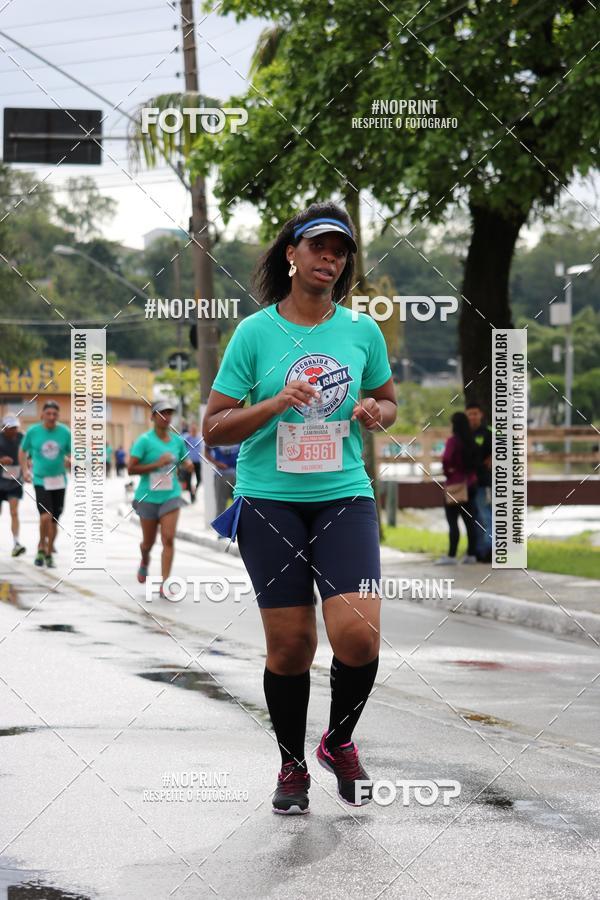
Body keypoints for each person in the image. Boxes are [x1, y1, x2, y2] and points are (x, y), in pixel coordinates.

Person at [202, 202, 397, 814]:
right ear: (292, 254)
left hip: (344, 495)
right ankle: (290, 765)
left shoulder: (362, 332)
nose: (330, 258)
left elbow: (388, 402)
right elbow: (213, 428)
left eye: (340, 251)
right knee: (290, 647)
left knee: (359, 637)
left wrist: (374, 413)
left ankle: (338, 742)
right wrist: (276, 402)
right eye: (318, 247)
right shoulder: (255, 333)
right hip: (270, 502)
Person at [128, 401, 194, 597]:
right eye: (162, 413)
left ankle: (165, 583)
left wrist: (188, 465)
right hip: (147, 496)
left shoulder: (177, 441)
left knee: (168, 539)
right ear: (153, 417)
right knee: (148, 542)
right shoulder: (144, 441)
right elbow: (131, 468)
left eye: (169, 413)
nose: (166, 417)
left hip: (171, 495)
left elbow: (183, 461)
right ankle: (145, 559)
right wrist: (157, 463)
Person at [19, 400, 71, 568]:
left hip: (59, 481)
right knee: (45, 516)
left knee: (55, 520)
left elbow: (73, 453)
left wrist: (71, 460)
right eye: (48, 414)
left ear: (58, 416)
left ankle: (48, 552)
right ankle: (41, 547)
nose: (51, 417)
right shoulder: (33, 432)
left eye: (55, 414)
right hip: (40, 479)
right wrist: (25, 471)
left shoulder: (64, 432)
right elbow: (22, 451)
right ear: (42, 415)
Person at [435, 411, 478, 566]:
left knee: (453, 521)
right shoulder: (472, 441)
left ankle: (452, 556)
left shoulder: (453, 441)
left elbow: (446, 460)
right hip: (471, 484)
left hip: (455, 486)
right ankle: (471, 554)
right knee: (470, 521)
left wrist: (449, 471)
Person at [466, 402, 493, 563]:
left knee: (485, 515)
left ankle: (490, 549)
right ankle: (478, 550)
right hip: (467, 483)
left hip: (483, 482)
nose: (473, 417)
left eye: (476, 413)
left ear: (481, 415)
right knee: (474, 517)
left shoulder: (489, 433)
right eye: (470, 413)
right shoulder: (464, 434)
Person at [0, 415, 26, 557]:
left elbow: (31, 454)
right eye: (10, 428)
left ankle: (16, 543)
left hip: (15, 480)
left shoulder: (23, 438)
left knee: (14, 512)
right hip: (0, 479)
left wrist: (27, 466)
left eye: (15, 427)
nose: (14, 430)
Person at [205, 443, 240, 516]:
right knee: (220, 506)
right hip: (222, 474)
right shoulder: (216, 433)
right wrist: (216, 463)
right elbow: (206, 451)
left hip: (238, 474)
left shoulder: (240, 432)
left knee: (239, 505)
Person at [183, 422, 203, 501]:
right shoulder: (187, 438)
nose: (193, 431)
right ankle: (192, 495)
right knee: (188, 480)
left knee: (199, 480)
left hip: (197, 461)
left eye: (195, 430)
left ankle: (194, 490)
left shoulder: (199, 438)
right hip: (189, 463)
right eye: (192, 430)